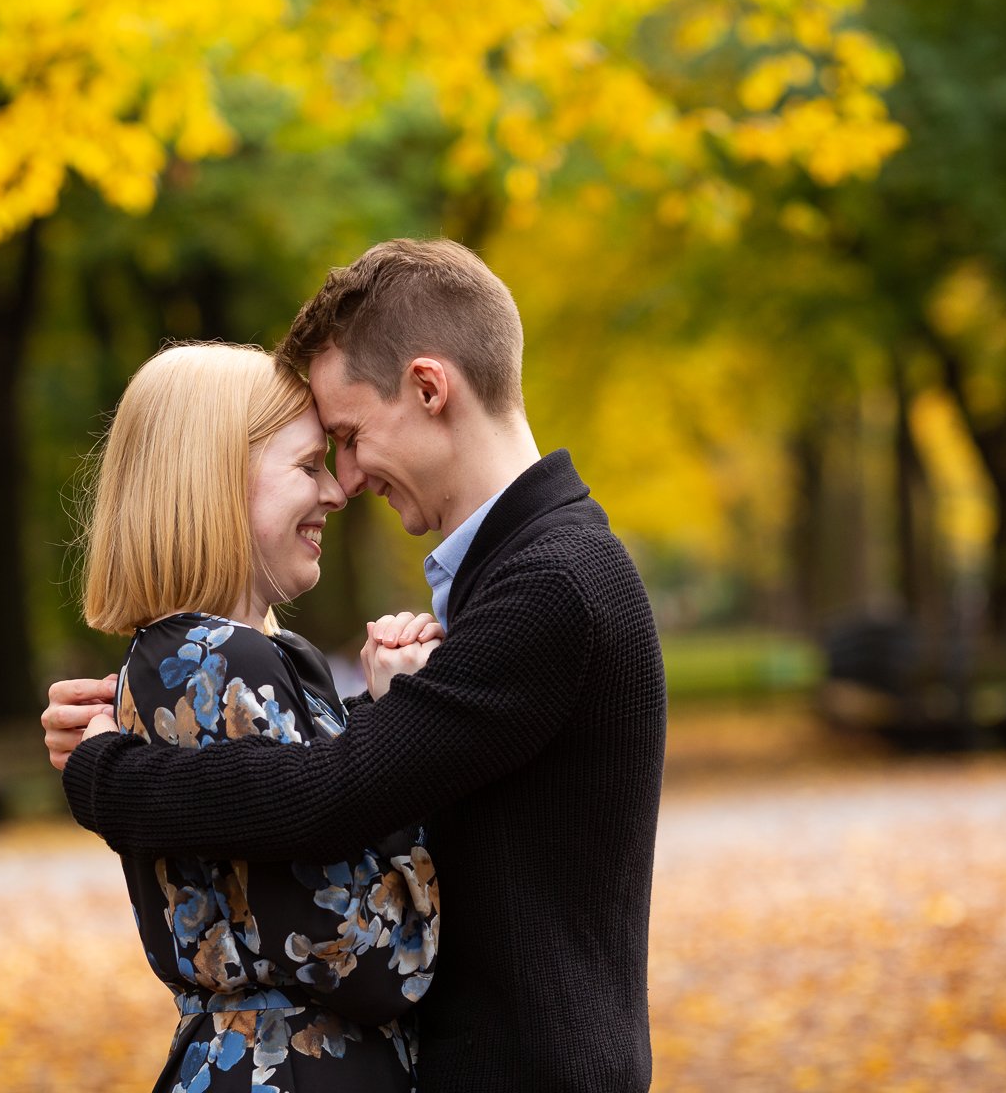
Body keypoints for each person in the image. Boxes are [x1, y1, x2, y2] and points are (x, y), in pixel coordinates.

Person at [45, 239, 667, 1092]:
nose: (344, 479)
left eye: (346, 436)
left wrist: (104, 772)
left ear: (427, 388)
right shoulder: (522, 573)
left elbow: (332, 792)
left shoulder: (548, 586)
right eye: (316, 456)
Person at [78, 341, 443, 1093]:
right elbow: (370, 958)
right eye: (308, 466)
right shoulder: (221, 664)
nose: (338, 492)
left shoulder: (188, 660)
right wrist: (412, 729)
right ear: (213, 480)